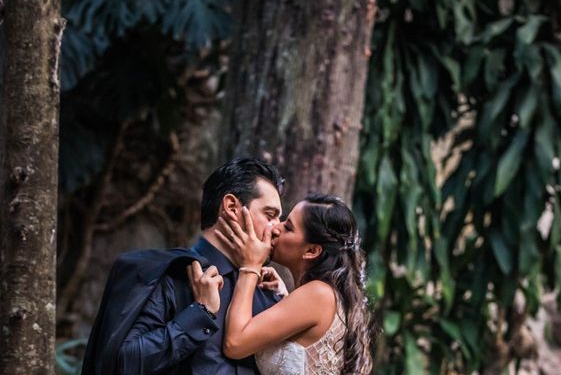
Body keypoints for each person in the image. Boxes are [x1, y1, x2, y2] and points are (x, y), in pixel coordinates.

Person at [116, 157, 285, 374]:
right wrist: (199, 314)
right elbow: (125, 363)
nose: (277, 229)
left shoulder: (268, 293)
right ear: (232, 207)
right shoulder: (170, 276)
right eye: (270, 215)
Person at [215, 193, 373, 375]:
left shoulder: (319, 294)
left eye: (288, 227)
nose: (275, 228)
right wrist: (285, 297)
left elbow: (234, 344)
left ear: (311, 250)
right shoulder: (324, 295)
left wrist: (250, 267)